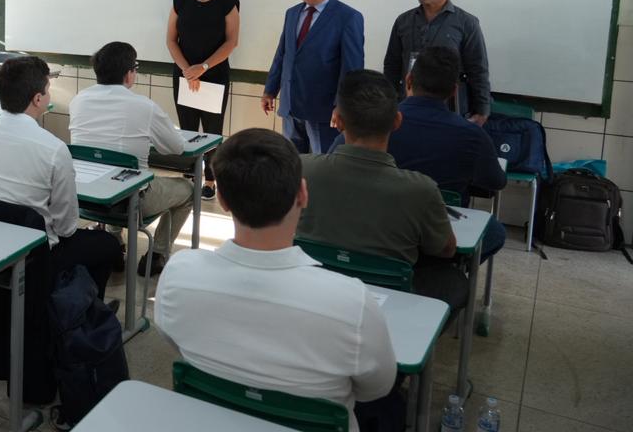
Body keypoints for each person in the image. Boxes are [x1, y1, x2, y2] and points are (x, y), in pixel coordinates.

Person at [156, 129, 397, 432]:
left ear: (223, 200)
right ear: (303, 194)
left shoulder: (179, 275)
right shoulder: (352, 302)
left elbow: (172, 339)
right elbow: (378, 387)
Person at [297, 70, 467, 314]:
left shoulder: (301, 169)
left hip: (313, 293)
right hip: (388, 303)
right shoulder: (422, 189)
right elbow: (445, 249)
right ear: (397, 121)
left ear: (338, 121)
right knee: (454, 281)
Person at [0, 56, 121, 290]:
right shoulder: (54, 149)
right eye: (48, 89)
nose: (49, 95)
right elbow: (66, 228)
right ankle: (79, 308)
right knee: (107, 245)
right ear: (37, 99)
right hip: (33, 255)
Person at [369, 46, 505, 260]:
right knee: (495, 232)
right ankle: (450, 269)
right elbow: (496, 181)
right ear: (453, 91)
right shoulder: (472, 135)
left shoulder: (376, 122)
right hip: (438, 238)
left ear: (408, 80)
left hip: (378, 228)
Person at [70, 41, 192, 273]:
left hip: (87, 198)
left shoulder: (78, 100)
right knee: (187, 189)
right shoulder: (144, 106)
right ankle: (157, 254)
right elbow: (176, 147)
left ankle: (115, 246)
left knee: (109, 171)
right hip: (133, 202)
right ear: (129, 73)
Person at [262, 0, 365, 154]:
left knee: (323, 162)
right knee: (291, 162)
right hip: (290, 106)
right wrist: (270, 90)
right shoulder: (292, 13)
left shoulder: (348, 17)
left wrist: (342, 105)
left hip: (323, 110)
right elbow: (282, 54)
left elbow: (352, 69)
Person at [382, 0, 491, 125]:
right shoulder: (403, 21)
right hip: (407, 108)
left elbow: (478, 69)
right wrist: (388, 104)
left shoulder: (466, 23)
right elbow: (392, 65)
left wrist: (482, 111)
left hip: (448, 110)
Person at [165, 0, 240, 136]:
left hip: (214, 75)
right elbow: (171, 40)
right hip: (185, 76)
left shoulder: (228, 5)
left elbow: (232, 42)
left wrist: (203, 67)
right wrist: (188, 71)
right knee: (187, 132)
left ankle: (213, 159)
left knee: (212, 133)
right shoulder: (180, 4)